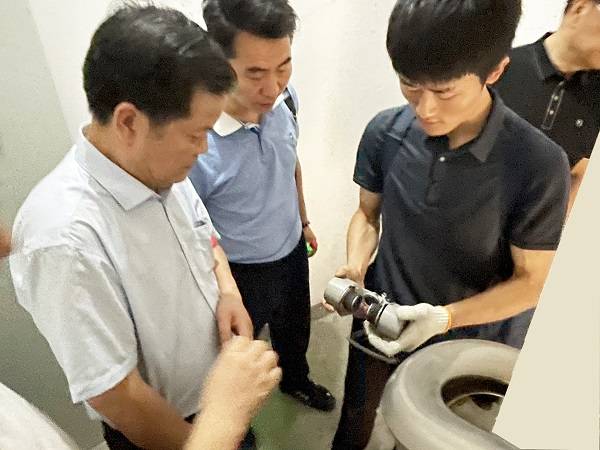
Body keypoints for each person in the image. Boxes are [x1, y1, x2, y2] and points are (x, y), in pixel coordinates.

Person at [9, 5, 270, 449]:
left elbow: (204, 235)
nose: (204, 149)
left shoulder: (159, 166)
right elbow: (118, 397)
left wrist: (227, 291)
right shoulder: (64, 239)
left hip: (220, 397)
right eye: (195, 134)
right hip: (172, 428)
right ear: (129, 121)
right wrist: (217, 432)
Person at [330, 1, 571, 449]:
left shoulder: (537, 164)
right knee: (355, 422)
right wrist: (355, 266)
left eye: (444, 92)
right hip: (380, 318)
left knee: (428, 438)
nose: (424, 109)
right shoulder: (386, 132)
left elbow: (532, 282)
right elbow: (366, 214)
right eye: (409, 84)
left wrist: (444, 318)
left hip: (462, 344)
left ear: (495, 71)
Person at [189, 0, 335, 412]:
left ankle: (297, 381)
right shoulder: (197, 143)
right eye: (255, 73)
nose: (272, 87)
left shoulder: (285, 101)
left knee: (295, 330)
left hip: (290, 251)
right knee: (237, 355)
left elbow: (290, 163)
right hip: (240, 273)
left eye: (283, 67)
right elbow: (193, 228)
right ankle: (237, 421)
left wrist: (303, 221)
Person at [495, 0, 600, 216]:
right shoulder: (499, 69)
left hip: (532, 232)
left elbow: (579, 172)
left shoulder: (595, 100)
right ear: (580, 8)